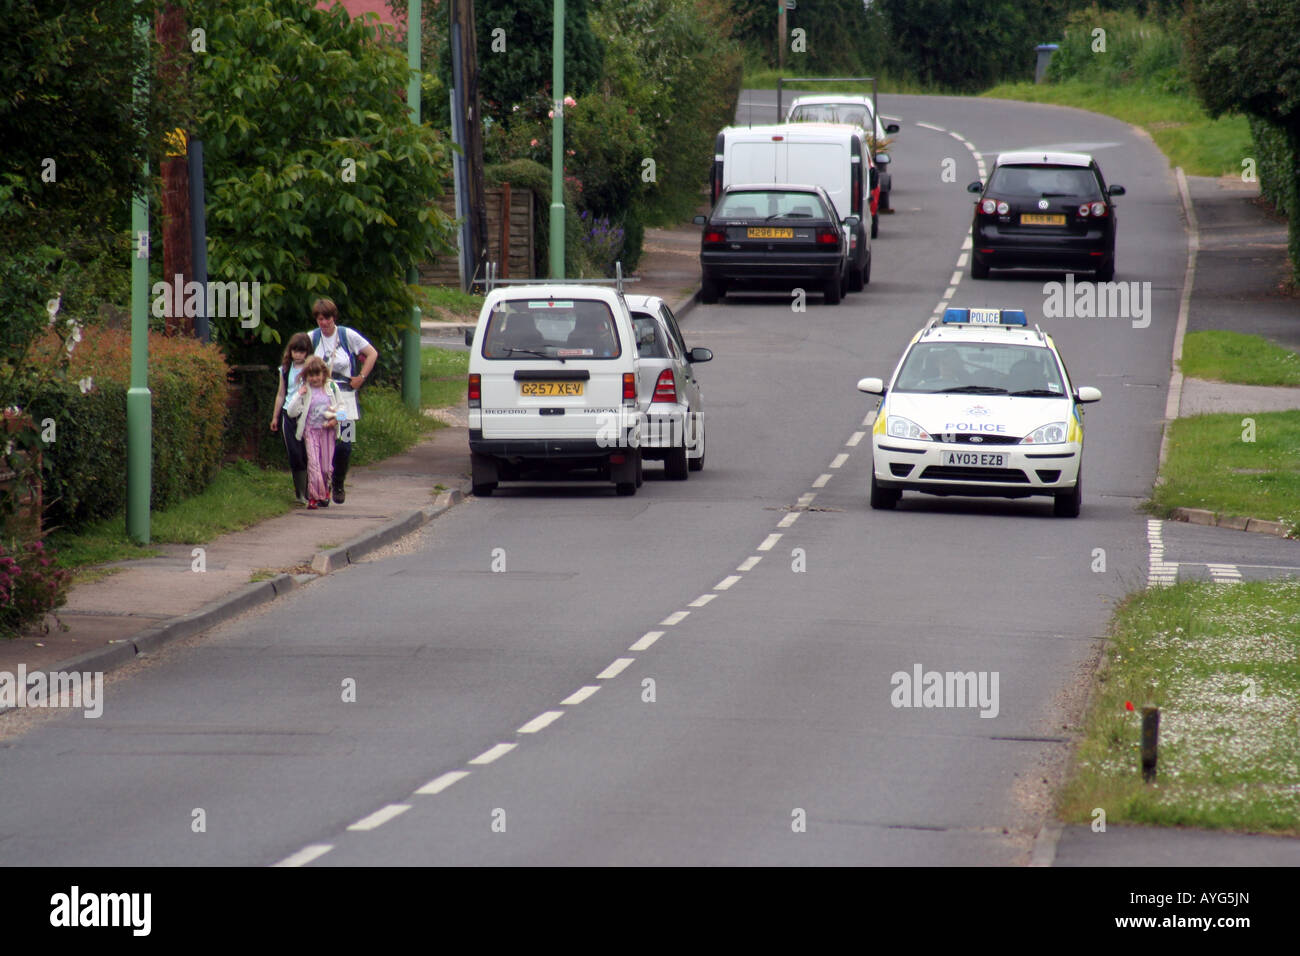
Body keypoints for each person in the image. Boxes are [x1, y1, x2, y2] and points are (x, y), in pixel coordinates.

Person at [307, 298, 378, 504]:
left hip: (345, 398)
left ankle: (338, 482)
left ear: (334, 317)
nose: (324, 323)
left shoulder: (347, 335)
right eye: (320, 319)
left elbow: (372, 353)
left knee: (345, 443)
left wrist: (361, 378)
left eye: (327, 318)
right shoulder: (312, 338)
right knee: (320, 443)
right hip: (321, 398)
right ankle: (322, 488)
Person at [284, 356, 346, 509]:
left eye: (317, 374)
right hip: (310, 431)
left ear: (324, 374)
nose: (314, 378)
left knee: (325, 468)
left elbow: (344, 409)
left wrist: (336, 420)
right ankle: (313, 496)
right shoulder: (305, 390)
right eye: (311, 375)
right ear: (306, 376)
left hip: (327, 431)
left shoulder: (331, 388)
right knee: (313, 465)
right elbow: (291, 412)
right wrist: (299, 394)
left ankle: (325, 492)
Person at [269, 332, 313, 505]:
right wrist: (275, 416)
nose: (298, 355)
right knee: (294, 453)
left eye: (302, 352)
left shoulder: (312, 368)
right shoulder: (285, 369)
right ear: (291, 351)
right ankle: (300, 492)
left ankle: (312, 489)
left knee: (307, 452)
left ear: (307, 352)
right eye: (296, 351)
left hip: (307, 414)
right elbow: (281, 394)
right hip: (289, 414)